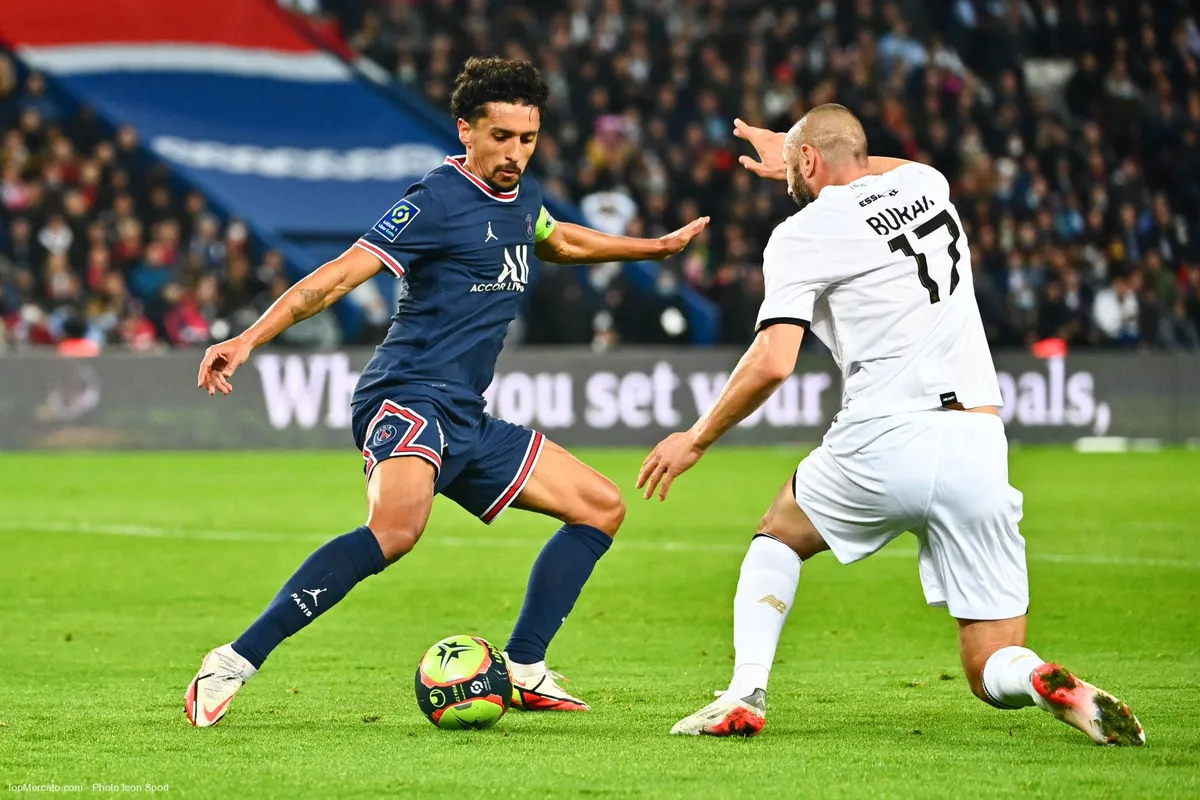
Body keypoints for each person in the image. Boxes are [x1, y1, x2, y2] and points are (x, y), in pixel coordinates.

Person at [185, 57, 708, 727]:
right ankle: (233, 660)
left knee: (601, 507)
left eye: (528, 139)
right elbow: (340, 276)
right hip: (405, 397)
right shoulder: (436, 198)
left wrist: (654, 248)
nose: (515, 153)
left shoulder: (522, 198)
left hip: (464, 413)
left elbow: (556, 238)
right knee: (396, 532)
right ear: (466, 130)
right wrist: (250, 338)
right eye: (501, 138)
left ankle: (522, 666)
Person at [637, 105, 1143, 746]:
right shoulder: (928, 185)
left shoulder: (801, 232)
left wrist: (697, 437)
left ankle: (744, 694)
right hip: (977, 443)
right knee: (990, 666)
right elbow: (874, 163)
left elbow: (772, 361)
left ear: (810, 162)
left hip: (884, 434)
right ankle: (1039, 675)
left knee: (779, 536)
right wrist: (806, 149)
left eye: (800, 161)